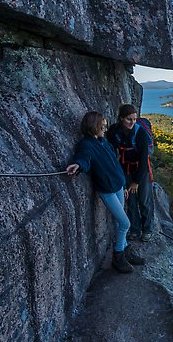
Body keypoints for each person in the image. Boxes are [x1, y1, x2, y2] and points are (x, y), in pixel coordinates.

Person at [66, 111, 145, 274]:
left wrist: (123, 185)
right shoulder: (86, 145)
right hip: (107, 190)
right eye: (102, 124)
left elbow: (115, 165)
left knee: (119, 222)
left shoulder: (104, 142)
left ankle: (124, 249)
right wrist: (78, 166)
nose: (105, 127)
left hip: (117, 186)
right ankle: (118, 256)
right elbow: (84, 159)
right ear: (94, 125)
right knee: (125, 223)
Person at [106, 104, 155, 243]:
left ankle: (147, 230)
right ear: (121, 118)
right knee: (131, 202)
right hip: (125, 168)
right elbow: (111, 150)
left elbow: (144, 159)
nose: (132, 122)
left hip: (141, 169)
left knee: (144, 200)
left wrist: (136, 182)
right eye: (129, 119)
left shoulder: (140, 133)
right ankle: (135, 229)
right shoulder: (114, 132)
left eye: (134, 119)